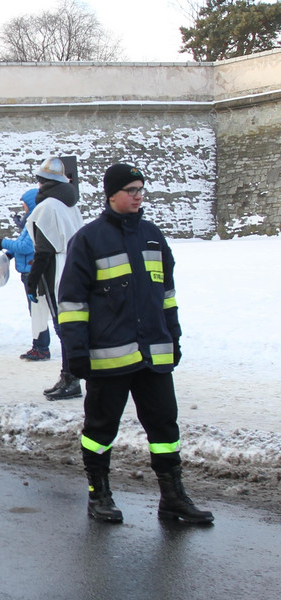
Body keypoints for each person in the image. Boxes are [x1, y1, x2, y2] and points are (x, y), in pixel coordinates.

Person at [58, 163, 213, 525]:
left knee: (165, 429)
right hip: (109, 360)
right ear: (111, 195)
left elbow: (167, 295)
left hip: (153, 356)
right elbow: (72, 303)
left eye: (141, 189)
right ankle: (100, 495)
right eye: (131, 190)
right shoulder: (88, 239)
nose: (138, 195)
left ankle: (173, 498)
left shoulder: (153, 237)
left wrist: (172, 336)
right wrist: (75, 353)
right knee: (100, 431)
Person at [25, 157, 85, 399]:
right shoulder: (69, 205)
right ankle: (68, 375)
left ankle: (71, 378)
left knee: (63, 326)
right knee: (68, 325)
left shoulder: (47, 207)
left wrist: (33, 279)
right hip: (72, 264)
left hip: (56, 270)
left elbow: (43, 251)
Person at [0, 188, 52, 361]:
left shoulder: (34, 223)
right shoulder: (29, 222)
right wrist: (9, 254)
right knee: (33, 311)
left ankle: (42, 347)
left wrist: (5, 243)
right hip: (26, 272)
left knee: (37, 311)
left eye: (25, 205)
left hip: (32, 273)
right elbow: (22, 245)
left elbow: (27, 247)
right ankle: (38, 345)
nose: (24, 208)